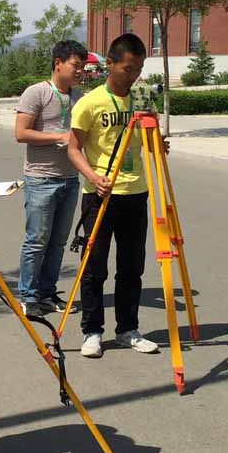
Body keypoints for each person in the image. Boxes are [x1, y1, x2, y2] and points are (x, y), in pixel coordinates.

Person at [67, 33, 162, 359]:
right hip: (100, 194)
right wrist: (93, 176)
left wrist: (158, 145)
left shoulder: (142, 99)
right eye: (128, 68)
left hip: (136, 192)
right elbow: (73, 148)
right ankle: (92, 331)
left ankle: (128, 329)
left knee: (131, 266)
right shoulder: (90, 103)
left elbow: (147, 141)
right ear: (109, 64)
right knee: (94, 267)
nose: (134, 75)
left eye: (139, 68)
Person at [14, 40, 87, 318]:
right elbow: (21, 133)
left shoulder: (79, 97)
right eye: (75, 65)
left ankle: (47, 292)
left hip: (70, 179)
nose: (80, 71)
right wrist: (59, 137)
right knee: (36, 240)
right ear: (58, 63)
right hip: (41, 180)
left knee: (58, 241)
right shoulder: (37, 93)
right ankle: (28, 295)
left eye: (83, 66)